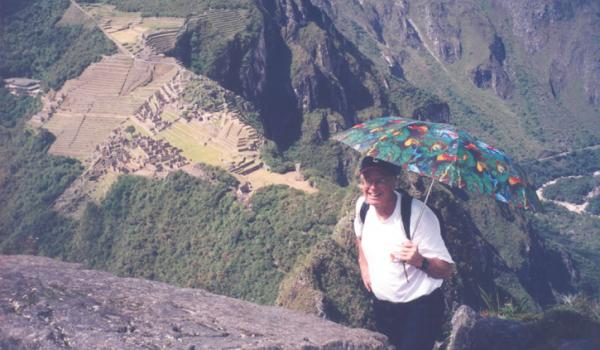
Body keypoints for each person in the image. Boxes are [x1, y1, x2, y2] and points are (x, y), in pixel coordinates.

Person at [353, 156, 454, 350]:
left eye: (380, 180)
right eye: (367, 180)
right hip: (383, 307)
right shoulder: (363, 207)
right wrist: (364, 265)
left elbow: (446, 270)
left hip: (420, 308)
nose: (372, 187)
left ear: (394, 181)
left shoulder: (419, 216)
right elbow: (359, 234)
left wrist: (420, 261)